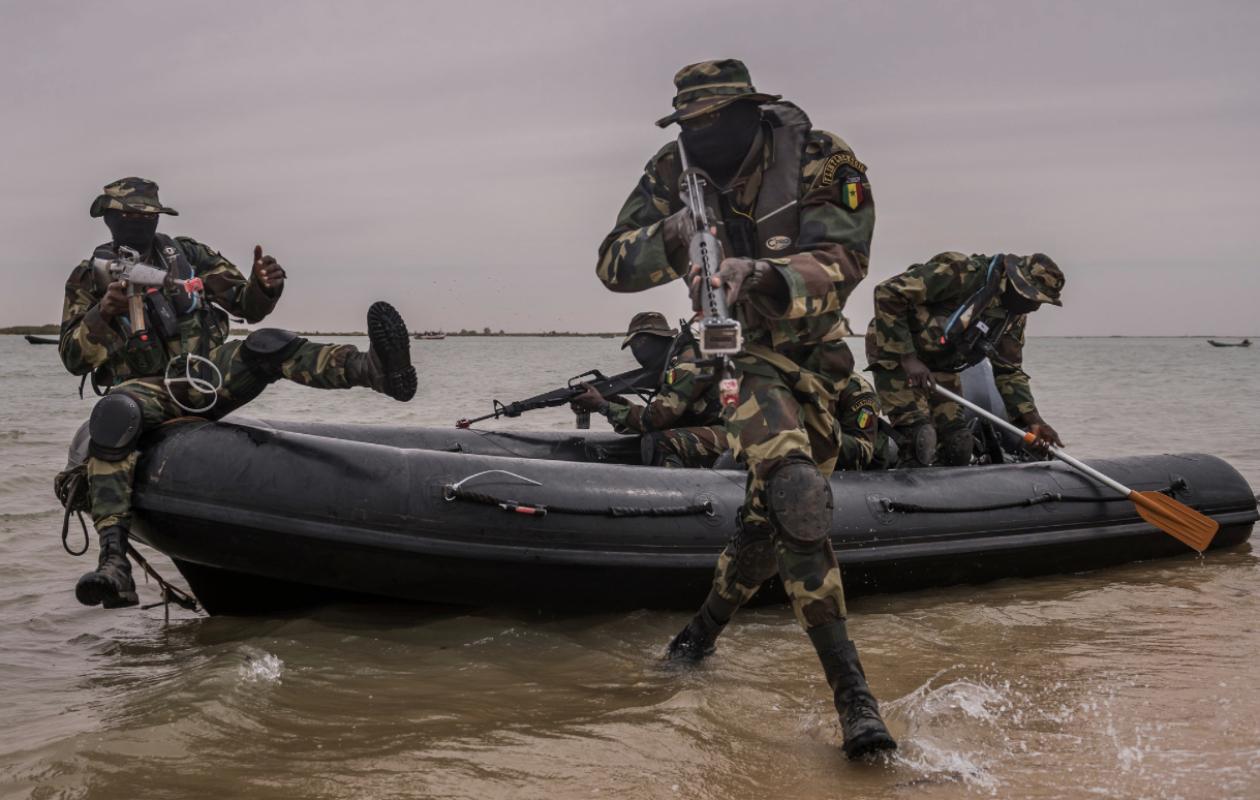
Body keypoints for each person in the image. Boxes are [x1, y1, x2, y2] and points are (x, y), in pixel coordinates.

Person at [595, 59, 895, 759]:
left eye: (714, 121)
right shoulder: (670, 173)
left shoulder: (822, 159)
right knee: (795, 488)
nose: (701, 136)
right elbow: (612, 263)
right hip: (737, 357)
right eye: (688, 124)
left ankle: (700, 634)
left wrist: (763, 273)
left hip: (818, 359)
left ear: (753, 113)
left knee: (765, 529)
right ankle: (854, 697)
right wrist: (674, 234)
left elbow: (845, 262)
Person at [60, 177, 418, 610]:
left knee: (268, 343)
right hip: (148, 388)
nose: (139, 223)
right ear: (111, 219)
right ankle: (114, 563)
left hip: (208, 375)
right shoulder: (89, 277)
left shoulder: (187, 256)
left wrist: (265, 286)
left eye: (147, 216)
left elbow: (246, 306)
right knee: (115, 413)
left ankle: (375, 370)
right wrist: (105, 311)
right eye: (130, 216)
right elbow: (74, 357)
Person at [865, 252, 1065, 467]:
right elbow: (888, 292)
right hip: (897, 355)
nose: (1035, 307)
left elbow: (1009, 371)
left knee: (958, 443)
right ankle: (904, 482)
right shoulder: (961, 272)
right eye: (1033, 298)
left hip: (942, 365)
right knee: (918, 438)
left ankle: (946, 491)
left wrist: (1034, 420)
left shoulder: (1012, 318)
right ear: (1017, 284)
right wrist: (908, 358)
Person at [571, 311, 726, 468]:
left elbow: (655, 419)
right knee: (650, 439)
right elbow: (653, 421)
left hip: (735, 436)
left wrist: (603, 406)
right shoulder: (673, 362)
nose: (636, 352)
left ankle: (678, 490)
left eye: (637, 345)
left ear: (650, 340)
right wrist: (611, 401)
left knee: (660, 442)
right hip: (716, 429)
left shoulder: (688, 363)